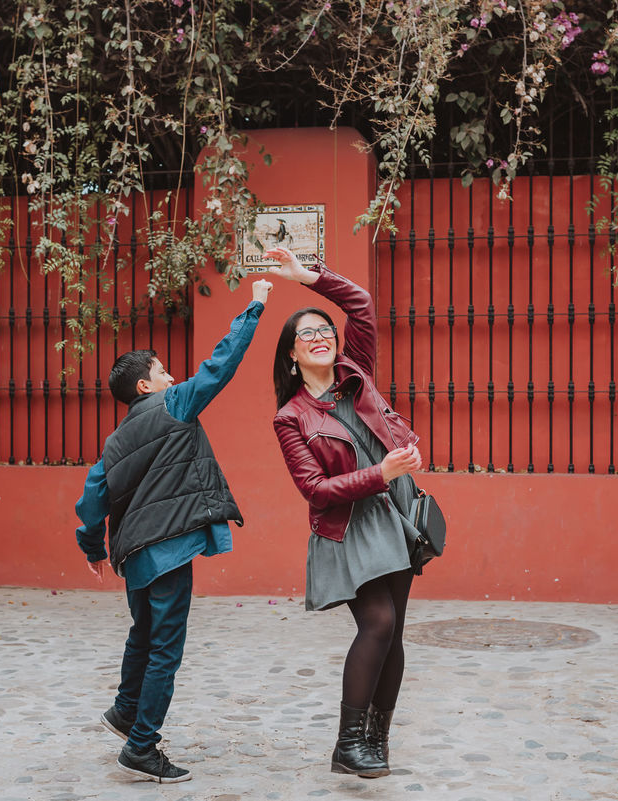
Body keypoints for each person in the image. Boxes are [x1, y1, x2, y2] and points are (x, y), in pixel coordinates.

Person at [75, 278, 273, 783]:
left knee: (143, 633)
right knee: (166, 647)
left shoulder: (114, 441)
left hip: (133, 555)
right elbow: (219, 366)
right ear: (145, 386)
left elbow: (91, 498)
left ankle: (124, 711)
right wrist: (254, 307)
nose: (172, 376)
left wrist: (92, 545)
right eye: (163, 372)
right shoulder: (175, 405)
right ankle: (141, 747)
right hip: (167, 548)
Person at [266, 246, 423, 779]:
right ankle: (347, 743)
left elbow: (359, 304)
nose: (320, 338)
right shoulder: (290, 418)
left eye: (324, 331)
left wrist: (306, 277)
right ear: (291, 355)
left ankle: (376, 740)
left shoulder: (356, 372)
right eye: (307, 334)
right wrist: (381, 474)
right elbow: (315, 489)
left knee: (394, 632)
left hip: (392, 513)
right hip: (346, 528)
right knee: (376, 623)